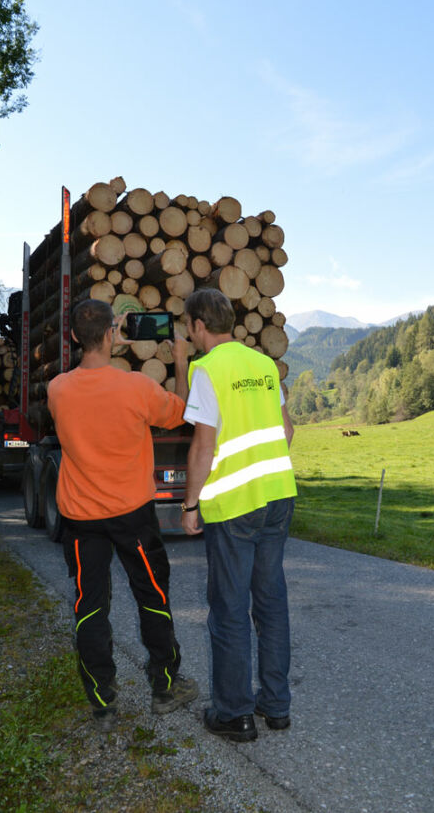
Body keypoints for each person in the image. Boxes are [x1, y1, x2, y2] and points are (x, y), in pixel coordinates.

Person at [47, 299, 198, 732]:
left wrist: (107, 340)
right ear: (114, 333)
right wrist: (181, 364)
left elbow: (87, 394)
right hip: (133, 514)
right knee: (153, 596)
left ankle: (103, 704)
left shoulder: (58, 389)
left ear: (74, 337)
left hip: (80, 517)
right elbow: (180, 413)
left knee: (89, 605)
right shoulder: (136, 387)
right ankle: (165, 688)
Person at [180, 288, 296, 742]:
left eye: (188, 326)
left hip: (234, 507)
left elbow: (203, 447)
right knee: (270, 603)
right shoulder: (263, 365)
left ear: (199, 326)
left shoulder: (206, 369)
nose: (189, 334)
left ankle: (234, 713)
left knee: (229, 608)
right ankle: (277, 706)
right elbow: (286, 429)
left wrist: (190, 506)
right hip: (278, 497)